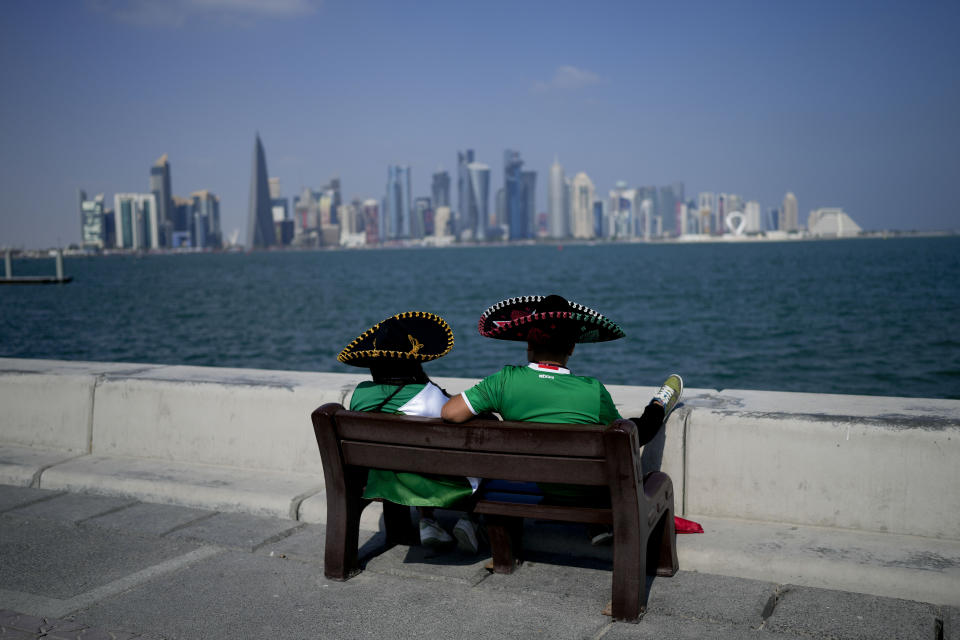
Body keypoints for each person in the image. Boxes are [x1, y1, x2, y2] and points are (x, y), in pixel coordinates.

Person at [440, 294, 686, 543]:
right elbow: (627, 436)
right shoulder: (592, 390)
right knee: (638, 428)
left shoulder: (504, 381)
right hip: (585, 491)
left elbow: (450, 412)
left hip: (533, 483)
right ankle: (659, 404)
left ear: (529, 345)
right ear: (571, 348)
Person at [338, 311, 481, 552]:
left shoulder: (361, 393)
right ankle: (471, 521)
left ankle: (427, 521)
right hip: (431, 484)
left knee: (412, 461)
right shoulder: (430, 397)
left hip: (384, 478)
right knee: (477, 463)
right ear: (414, 361)